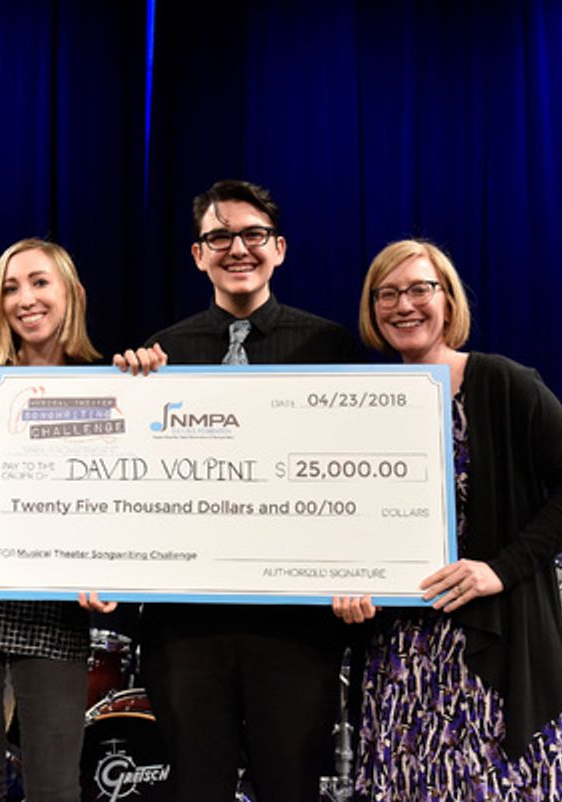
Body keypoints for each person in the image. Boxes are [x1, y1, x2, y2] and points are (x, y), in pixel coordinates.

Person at [333, 239, 562, 800]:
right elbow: (349, 516)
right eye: (386, 294)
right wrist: (347, 581)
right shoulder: (364, 400)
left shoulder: (504, 382)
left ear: (449, 300)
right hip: (401, 654)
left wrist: (499, 570)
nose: (402, 305)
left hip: (494, 647)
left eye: (418, 289)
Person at [117, 179, 359, 802]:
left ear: (279, 248)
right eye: (218, 236)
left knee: (291, 786)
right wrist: (127, 398)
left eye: (252, 235)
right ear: (198, 255)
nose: (237, 248)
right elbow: (136, 484)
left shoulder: (332, 348)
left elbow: (359, 471)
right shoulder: (161, 352)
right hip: (185, 625)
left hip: (296, 625)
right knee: (196, 787)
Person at [0, 238, 137, 802]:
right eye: (11, 288)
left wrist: (110, 572)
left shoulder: (110, 382)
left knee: (55, 788)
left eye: (40, 282)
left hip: (53, 604)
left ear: (71, 293)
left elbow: (118, 499)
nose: (26, 298)